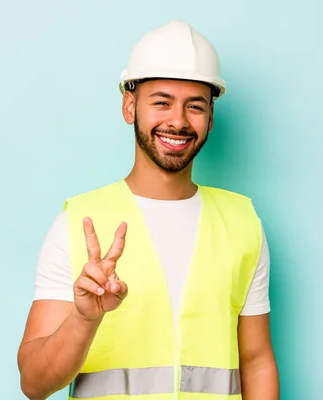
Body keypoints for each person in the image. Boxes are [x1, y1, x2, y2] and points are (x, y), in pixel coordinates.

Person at [17, 20, 279, 400]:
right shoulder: (76, 224)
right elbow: (34, 384)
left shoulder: (242, 224)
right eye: (162, 102)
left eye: (195, 106)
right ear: (129, 105)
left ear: (210, 117)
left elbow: (256, 361)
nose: (178, 120)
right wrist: (83, 319)